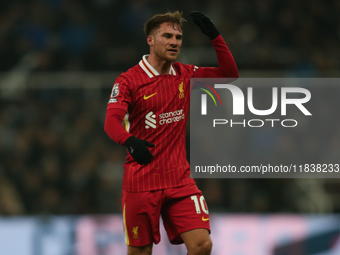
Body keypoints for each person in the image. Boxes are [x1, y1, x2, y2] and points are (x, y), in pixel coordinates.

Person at [104, 11, 238, 255]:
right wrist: (130, 141)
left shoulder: (186, 74)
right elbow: (111, 122)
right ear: (151, 40)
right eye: (167, 36)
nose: (175, 42)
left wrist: (215, 36)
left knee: (202, 245)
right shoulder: (128, 81)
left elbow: (229, 75)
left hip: (179, 181)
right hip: (141, 183)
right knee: (140, 252)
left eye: (178, 37)